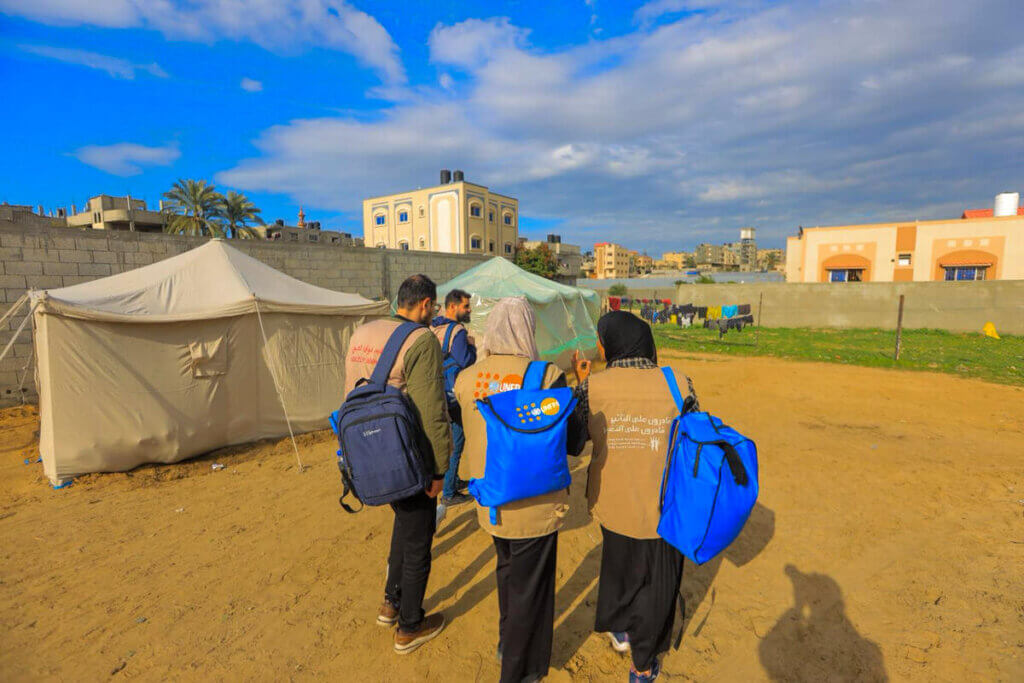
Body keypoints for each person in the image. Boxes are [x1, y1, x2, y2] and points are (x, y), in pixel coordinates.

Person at [454, 297, 587, 683]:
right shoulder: (545, 377)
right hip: (534, 505)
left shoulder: (467, 378)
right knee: (533, 589)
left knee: (507, 571)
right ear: (527, 328)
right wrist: (580, 382)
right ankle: (519, 671)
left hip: (490, 499)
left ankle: (504, 641)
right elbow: (574, 441)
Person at [572, 311, 699, 682]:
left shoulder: (594, 386)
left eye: (600, 339)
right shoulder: (679, 381)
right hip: (666, 505)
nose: (598, 345)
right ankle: (642, 666)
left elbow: (575, 441)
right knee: (658, 584)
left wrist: (583, 385)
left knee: (620, 566)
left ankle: (623, 632)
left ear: (612, 342)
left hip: (614, 502)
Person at [343, 274, 452, 655]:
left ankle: (390, 603)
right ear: (425, 305)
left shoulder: (363, 331)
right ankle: (409, 625)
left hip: (369, 454)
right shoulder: (421, 340)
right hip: (408, 458)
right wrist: (439, 470)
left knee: (402, 526)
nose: (433, 313)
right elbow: (432, 410)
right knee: (419, 538)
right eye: (433, 307)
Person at [430, 288, 477, 510]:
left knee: (444, 442)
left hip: (435, 393)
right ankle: (449, 492)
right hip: (453, 396)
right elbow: (465, 361)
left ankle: (452, 480)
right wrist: (472, 346)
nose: (469, 310)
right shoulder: (457, 331)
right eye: (465, 306)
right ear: (452, 307)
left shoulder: (433, 326)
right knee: (457, 442)